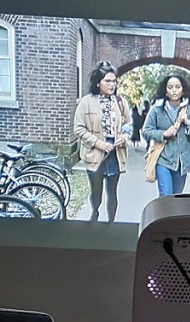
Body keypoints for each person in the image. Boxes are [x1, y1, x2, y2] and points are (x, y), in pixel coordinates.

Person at [73, 62, 131, 222]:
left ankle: (111, 223)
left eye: (114, 81)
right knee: (96, 192)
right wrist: (99, 143)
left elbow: (128, 124)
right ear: (98, 82)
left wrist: (124, 137)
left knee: (112, 191)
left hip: (115, 154)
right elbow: (78, 128)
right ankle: (95, 212)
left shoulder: (120, 102)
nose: (112, 84)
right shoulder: (86, 102)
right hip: (95, 153)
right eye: (107, 81)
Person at [141, 74, 190, 197]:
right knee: (165, 195)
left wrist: (187, 122)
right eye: (170, 87)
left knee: (176, 198)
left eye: (177, 87)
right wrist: (163, 134)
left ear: (183, 89)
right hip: (163, 158)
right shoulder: (157, 108)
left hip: (182, 161)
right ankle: (162, 216)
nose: (174, 90)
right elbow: (146, 130)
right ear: (165, 91)